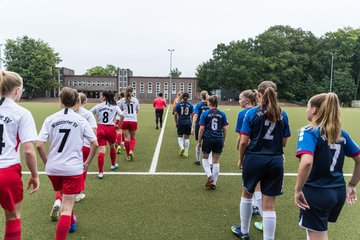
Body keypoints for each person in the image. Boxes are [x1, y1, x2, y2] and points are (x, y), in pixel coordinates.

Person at [295, 93, 360, 240]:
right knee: (314, 230)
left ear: (314, 110)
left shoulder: (309, 131)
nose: (306, 110)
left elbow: (306, 162)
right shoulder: (341, 134)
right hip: (337, 192)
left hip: (317, 192)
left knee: (318, 234)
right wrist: (352, 184)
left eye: (307, 106)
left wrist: (298, 190)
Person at [231, 81, 291, 240]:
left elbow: (243, 141)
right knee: (269, 203)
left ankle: (244, 232)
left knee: (247, 193)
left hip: (255, 158)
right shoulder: (282, 114)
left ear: (258, 94)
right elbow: (284, 142)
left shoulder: (251, 114)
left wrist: (241, 159)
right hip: (275, 160)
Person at [37, 87, 98, 239]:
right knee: (67, 207)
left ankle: (71, 223)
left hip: (53, 169)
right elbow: (95, 143)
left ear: (60, 100)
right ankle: (67, 222)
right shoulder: (81, 120)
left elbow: (39, 144)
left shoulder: (50, 119)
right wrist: (87, 162)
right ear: (76, 101)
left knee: (65, 198)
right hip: (73, 169)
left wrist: (46, 162)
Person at [0, 70, 39, 240]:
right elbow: (29, 150)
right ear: (17, 90)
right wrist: (35, 175)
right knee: (12, 218)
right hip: (7, 171)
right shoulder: (22, 113)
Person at [235, 89, 263, 220]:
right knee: (259, 183)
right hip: (265, 151)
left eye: (240, 99)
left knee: (247, 183)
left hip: (250, 150)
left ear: (246, 100)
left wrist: (239, 152)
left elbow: (242, 137)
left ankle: (252, 206)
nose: (239, 101)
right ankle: (257, 206)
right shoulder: (263, 110)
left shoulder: (243, 113)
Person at [90, 91, 124, 178]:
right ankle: (113, 165)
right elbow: (122, 115)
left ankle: (100, 173)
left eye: (102, 96)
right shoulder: (114, 106)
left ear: (104, 97)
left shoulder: (98, 106)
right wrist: (118, 126)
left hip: (100, 128)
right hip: (111, 128)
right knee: (112, 146)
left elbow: (89, 114)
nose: (101, 97)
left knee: (101, 151)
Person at [197, 95, 228, 189]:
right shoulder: (222, 114)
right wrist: (223, 140)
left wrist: (199, 141)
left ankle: (209, 176)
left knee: (205, 158)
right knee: (216, 161)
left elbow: (201, 129)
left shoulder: (205, 113)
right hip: (218, 139)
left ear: (209, 103)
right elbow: (225, 128)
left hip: (208, 138)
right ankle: (214, 183)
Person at [117, 86, 140, 161]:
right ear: (132, 91)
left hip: (125, 120)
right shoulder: (135, 100)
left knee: (126, 138)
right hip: (133, 120)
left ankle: (127, 155)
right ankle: (131, 151)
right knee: (133, 138)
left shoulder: (121, 100)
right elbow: (137, 110)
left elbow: (119, 111)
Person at [191, 90, 210, 165]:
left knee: (198, 142)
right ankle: (207, 159)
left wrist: (192, 126)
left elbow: (195, 115)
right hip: (208, 125)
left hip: (200, 125)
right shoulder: (210, 104)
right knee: (207, 142)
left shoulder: (198, 105)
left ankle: (198, 160)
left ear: (201, 97)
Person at [174, 92, 193, 157]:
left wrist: (176, 122)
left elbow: (175, 114)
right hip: (188, 122)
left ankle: (182, 147)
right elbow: (192, 115)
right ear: (188, 97)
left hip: (180, 122)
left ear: (182, 97)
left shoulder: (178, 104)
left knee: (180, 136)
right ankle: (186, 152)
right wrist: (192, 123)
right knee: (187, 138)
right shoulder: (190, 105)